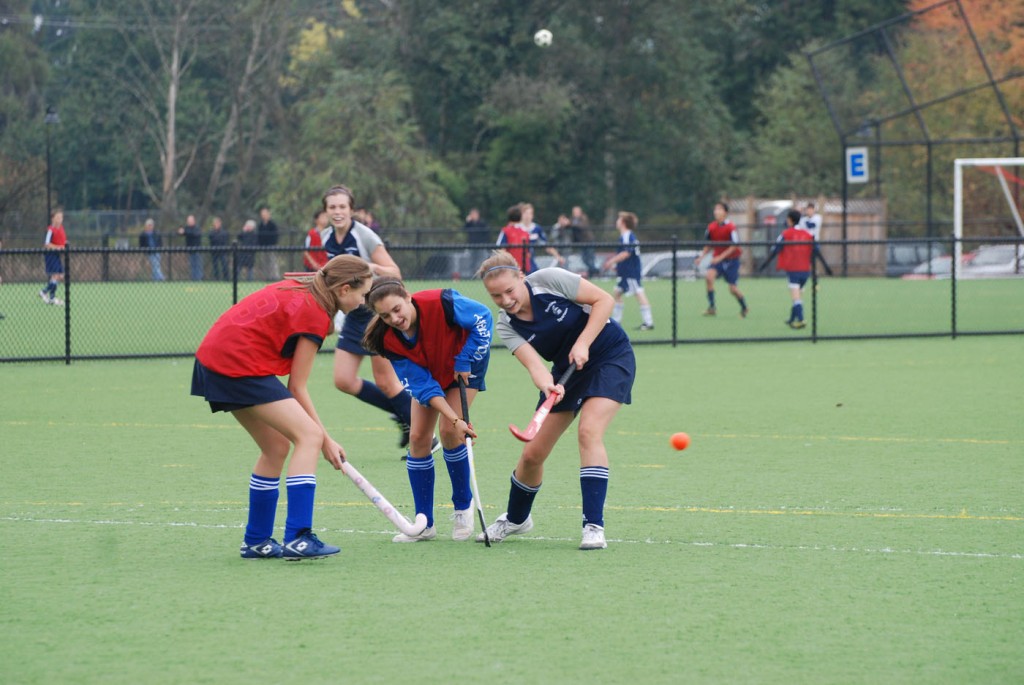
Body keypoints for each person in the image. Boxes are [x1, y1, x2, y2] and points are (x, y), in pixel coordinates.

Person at [191, 254, 373, 559]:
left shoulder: (308, 288)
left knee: (276, 446)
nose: (363, 302)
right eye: (363, 294)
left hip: (216, 360)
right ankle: (298, 538)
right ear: (344, 289)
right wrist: (325, 439)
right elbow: (297, 387)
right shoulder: (315, 313)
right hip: (235, 363)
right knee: (309, 436)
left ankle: (256, 541)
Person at [477, 250, 636, 550]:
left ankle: (593, 525)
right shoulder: (506, 325)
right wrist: (548, 385)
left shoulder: (549, 280)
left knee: (588, 431)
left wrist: (583, 342)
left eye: (509, 290)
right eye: (496, 296)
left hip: (609, 354)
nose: (505, 300)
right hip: (566, 371)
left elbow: (604, 301)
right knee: (532, 454)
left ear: (521, 277)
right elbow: (535, 366)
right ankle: (516, 519)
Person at [363, 278, 493, 542]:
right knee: (418, 437)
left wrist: (465, 358)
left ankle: (463, 506)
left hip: (464, 363)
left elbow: (483, 318)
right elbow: (425, 387)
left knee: (448, 432)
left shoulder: (441, 302)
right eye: (385, 316)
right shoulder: (387, 340)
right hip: (429, 371)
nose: (394, 319)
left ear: (407, 297)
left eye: (397, 309)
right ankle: (424, 523)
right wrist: (456, 419)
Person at [320, 184, 423, 452]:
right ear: (326, 211)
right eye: (332, 207)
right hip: (352, 314)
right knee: (343, 380)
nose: (338, 211)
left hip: (376, 314)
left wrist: (371, 267)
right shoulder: (325, 237)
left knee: (386, 382)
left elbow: (395, 272)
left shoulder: (364, 236)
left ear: (351, 209)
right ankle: (403, 414)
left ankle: (425, 438)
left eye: (342, 206)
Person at [758, 208, 833, 329]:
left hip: (793, 271)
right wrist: (826, 267)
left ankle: (801, 319)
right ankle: (792, 319)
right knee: (797, 295)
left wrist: (764, 265)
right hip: (805, 271)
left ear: (789, 220)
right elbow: (817, 252)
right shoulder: (808, 235)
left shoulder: (785, 234)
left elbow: (775, 250)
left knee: (796, 298)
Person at [603, 211, 654, 331]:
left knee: (639, 293)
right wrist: (617, 266)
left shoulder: (627, 235)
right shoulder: (625, 236)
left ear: (623, 222)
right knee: (617, 293)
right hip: (625, 272)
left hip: (631, 272)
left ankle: (648, 322)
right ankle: (616, 322)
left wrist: (611, 261)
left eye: (619, 219)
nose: (617, 222)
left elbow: (626, 253)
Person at [695, 202, 748, 318]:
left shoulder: (731, 227)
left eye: (719, 209)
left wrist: (720, 257)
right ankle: (712, 307)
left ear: (725, 213)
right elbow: (709, 244)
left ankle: (744, 307)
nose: (716, 212)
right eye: (715, 209)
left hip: (732, 260)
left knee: (732, 289)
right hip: (717, 260)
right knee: (709, 277)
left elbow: (734, 246)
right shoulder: (711, 227)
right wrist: (701, 257)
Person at [520, 202, 565, 268]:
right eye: (525, 213)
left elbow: (546, 245)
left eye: (530, 213)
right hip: (518, 262)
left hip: (530, 263)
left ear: (532, 215)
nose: (527, 216)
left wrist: (558, 256)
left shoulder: (536, 228)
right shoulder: (516, 228)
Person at [496, 204, 533, 274]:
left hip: (510, 267)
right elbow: (529, 253)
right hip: (524, 268)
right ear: (520, 217)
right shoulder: (525, 233)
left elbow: (500, 250)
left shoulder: (506, 231)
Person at [39, 209, 66, 306]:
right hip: (50, 255)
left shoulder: (61, 228)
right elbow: (47, 244)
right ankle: (50, 296)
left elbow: (63, 242)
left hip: (56, 255)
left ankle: (46, 293)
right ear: (53, 218)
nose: (60, 219)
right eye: (57, 217)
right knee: (55, 275)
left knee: (61, 275)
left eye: (61, 217)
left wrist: (62, 248)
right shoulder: (50, 230)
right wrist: (58, 247)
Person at [570, 205, 598, 278]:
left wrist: (570, 224)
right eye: (574, 212)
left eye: (577, 212)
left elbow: (581, 226)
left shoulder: (583, 218)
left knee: (590, 258)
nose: (576, 213)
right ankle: (594, 271)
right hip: (581, 242)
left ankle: (595, 272)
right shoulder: (573, 220)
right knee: (584, 259)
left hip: (588, 241)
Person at [257, 206, 280, 280]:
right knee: (264, 262)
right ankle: (266, 277)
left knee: (272, 262)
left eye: (265, 214)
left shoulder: (272, 225)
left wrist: (273, 243)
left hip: (271, 246)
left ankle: (274, 277)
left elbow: (275, 236)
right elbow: (259, 236)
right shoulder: (261, 225)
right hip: (263, 247)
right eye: (262, 214)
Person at [178, 214, 204, 281]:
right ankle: (194, 278)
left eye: (190, 220)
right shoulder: (187, 228)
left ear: (194, 221)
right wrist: (180, 231)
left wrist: (184, 231)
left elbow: (193, 234)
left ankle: (198, 278)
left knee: (198, 264)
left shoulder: (196, 228)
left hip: (197, 249)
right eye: (188, 221)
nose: (189, 222)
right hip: (190, 250)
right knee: (192, 265)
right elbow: (182, 233)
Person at [208, 216, 230, 281]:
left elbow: (225, 241)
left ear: (220, 223)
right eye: (215, 223)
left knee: (224, 265)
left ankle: (226, 279)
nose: (216, 224)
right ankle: (216, 278)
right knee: (215, 266)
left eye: (218, 223)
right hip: (214, 251)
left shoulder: (224, 232)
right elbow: (212, 240)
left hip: (222, 251)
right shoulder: (211, 232)